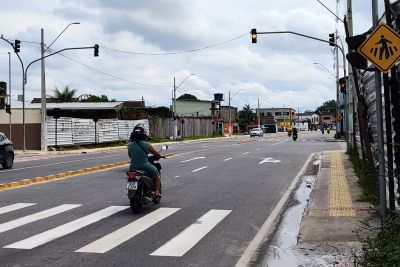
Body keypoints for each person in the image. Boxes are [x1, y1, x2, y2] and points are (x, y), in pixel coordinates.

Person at [128, 125, 163, 197]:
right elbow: (156, 153)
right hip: (144, 165)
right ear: (144, 135)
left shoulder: (130, 145)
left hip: (132, 167)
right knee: (156, 173)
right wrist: (159, 156)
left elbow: (130, 155)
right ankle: (157, 192)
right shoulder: (147, 144)